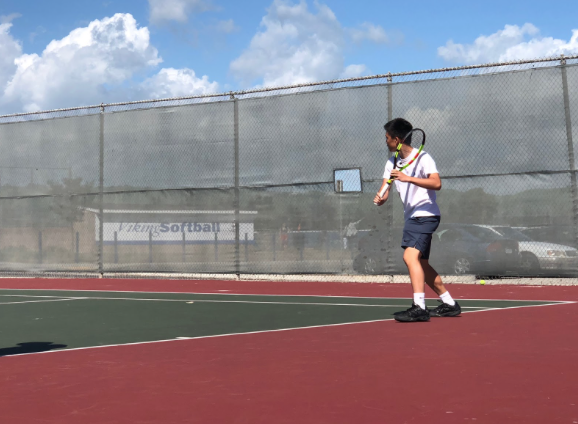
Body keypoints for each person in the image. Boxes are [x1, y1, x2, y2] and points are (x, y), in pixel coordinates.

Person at [374, 118, 461, 322]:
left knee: (409, 258)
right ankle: (449, 303)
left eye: (387, 138)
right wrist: (381, 197)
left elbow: (436, 183)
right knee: (421, 263)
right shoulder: (392, 162)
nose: (385, 141)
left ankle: (419, 307)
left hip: (426, 215)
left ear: (397, 139)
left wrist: (408, 178)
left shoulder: (423, 158)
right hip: (412, 216)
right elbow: (385, 188)